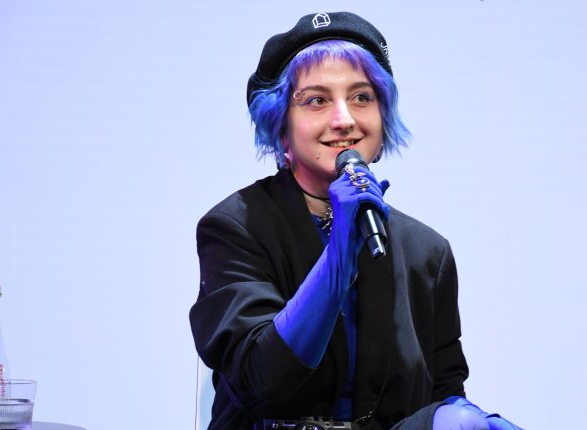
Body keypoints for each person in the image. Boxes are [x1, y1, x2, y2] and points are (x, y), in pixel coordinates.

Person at [189, 12, 523, 430]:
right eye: (316, 100)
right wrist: (340, 254)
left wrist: (463, 420)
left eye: (362, 97)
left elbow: (443, 391)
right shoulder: (235, 227)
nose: (344, 119)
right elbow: (264, 377)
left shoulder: (428, 252)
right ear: (281, 127)